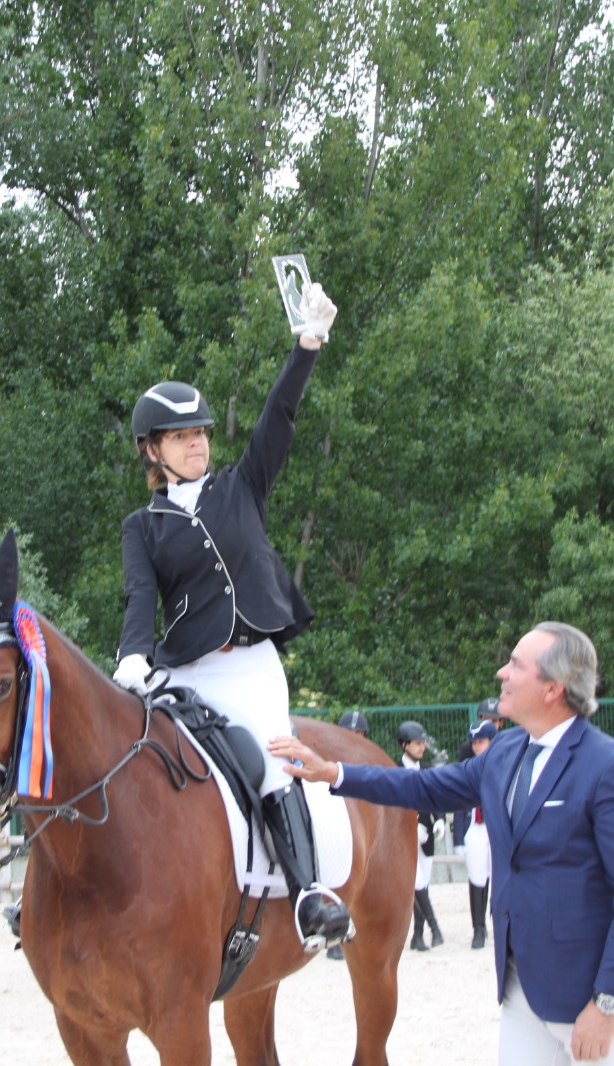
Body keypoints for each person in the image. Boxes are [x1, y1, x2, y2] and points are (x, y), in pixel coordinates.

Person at [271, 622, 614, 1066]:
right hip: (520, 993)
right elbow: (425, 789)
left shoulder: (612, 768)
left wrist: (608, 1003)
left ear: (553, 688)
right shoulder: (506, 751)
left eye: (516, 664)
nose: (502, 673)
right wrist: (334, 773)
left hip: (591, 1000)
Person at [112, 282, 350, 951]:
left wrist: (306, 346)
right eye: (181, 436)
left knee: (272, 761)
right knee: (128, 754)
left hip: (247, 668)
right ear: (151, 450)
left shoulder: (242, 485)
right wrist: (133, 657)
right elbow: (139, 597)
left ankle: (308, 894)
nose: (196, 444)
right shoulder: (143, 524)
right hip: (183, 670)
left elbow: (279, 417)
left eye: (201, 434)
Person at [397, 719, 445, 951]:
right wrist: (409, 826)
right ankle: (435, 929)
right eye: (417, 743)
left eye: (423, 743)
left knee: (422, 883)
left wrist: (441, 820)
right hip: (405, 837)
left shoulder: (426, 770)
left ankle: (417, 936)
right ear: (405, 745)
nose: (422, 747)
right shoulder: (394, 770)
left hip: (426, 836)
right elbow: (391, 807)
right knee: (416, 883)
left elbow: (436, 798)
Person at [327, 709, 370, 960]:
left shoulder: (369, 760)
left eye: (358, 733)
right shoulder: (330, 761)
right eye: (348, 732)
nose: (353, 737)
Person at [452, 719, 498, 949]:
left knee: (500, 877)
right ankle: (478, 928)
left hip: (495, 825)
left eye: (481, 742)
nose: (477, 747)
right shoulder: (468, 766)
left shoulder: (502, 764)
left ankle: (500, 923)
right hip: (475, 825)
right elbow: (460, 802)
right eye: (474, 743)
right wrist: (458, 836)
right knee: (476, 877)